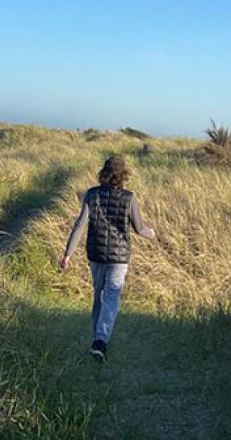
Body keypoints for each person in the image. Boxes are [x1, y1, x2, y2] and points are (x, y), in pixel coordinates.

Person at [59, 154, 155, 362]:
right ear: (123, 175)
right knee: (111, 298)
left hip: (96, 254)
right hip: (119, 257)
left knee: (99, 296)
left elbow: (79, 225)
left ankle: (97, 339)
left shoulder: (92, 195)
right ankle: (100, 342)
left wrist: (68, 254)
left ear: (103, 173)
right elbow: (139, 229)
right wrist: (153, 233)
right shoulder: (129, 198)